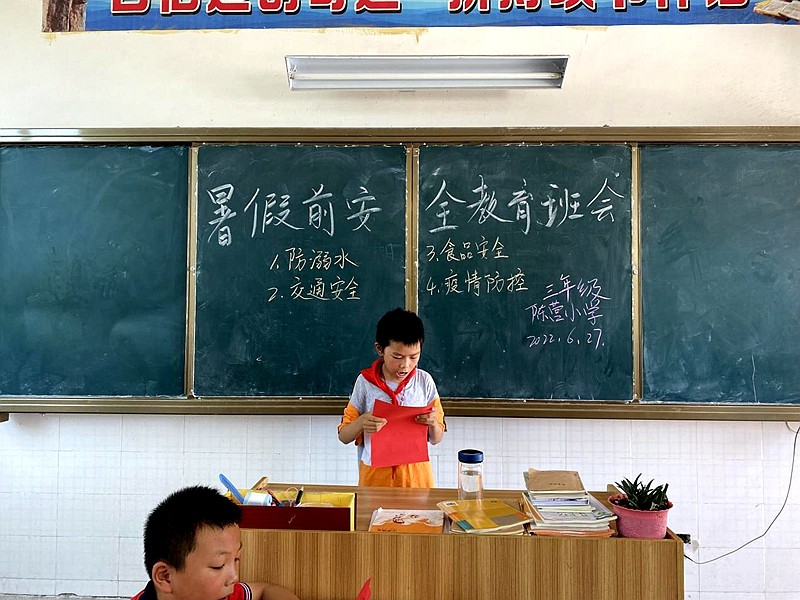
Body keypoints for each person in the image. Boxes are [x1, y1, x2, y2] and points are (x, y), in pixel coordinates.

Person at [338, 307, 446, 487]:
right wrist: (362, 422)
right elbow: (344, 436)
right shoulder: (365, 382)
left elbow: (436, 439)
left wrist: (433, 423)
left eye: (414, 357)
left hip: (416, 479)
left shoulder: (424, 381)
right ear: (380, 349)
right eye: (397, 356)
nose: (405, 365)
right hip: (375, 479)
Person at [132, 485, 299, 600]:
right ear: (166, 577)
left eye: (236, 559)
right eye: (218, 566)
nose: (234, 577)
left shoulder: (224, 595)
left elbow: (264, 590)